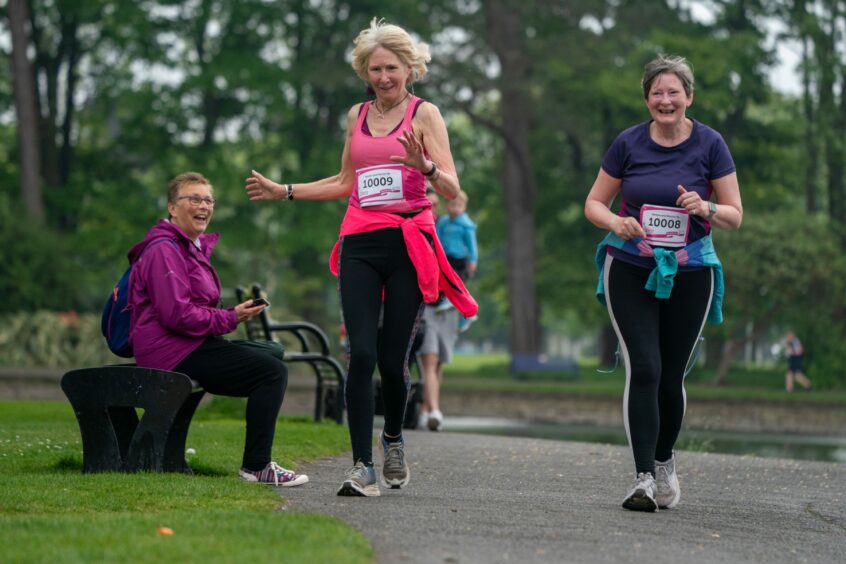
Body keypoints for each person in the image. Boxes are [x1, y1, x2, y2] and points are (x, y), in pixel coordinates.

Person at [245, 18, 477, 497]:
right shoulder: (357, 116)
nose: (383, 77)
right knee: (360, 354)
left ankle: (393, 439)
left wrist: (425, 166)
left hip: (411, 243)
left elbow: (453, 187)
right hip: (361, 243)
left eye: (391, 68)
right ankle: (361, 467)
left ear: (410, 68)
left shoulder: (425, 114)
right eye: (375, 69)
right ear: (365, 71)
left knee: (393, 361)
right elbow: (344, 182)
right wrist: (284, 190)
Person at [584, 55, 743, 512]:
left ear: (689, 97)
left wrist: (705, 208)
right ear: (647, 99)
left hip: (691, 272)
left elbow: (734, 215)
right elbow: (595, 202)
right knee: (645, 367)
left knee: (670, 374)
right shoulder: (628, 143)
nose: (665, 100)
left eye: (674, 92)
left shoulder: (711, 144)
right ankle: (643, 479)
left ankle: (665, 459)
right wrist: (617, 221)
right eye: (657, 93)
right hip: (631, 267)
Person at [129, 171, 308, 487]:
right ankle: (256, 466)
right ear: (172, 207)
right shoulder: (164, 250)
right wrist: (229, 318)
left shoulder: (188, 248)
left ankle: (257, 464)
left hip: (185, 345)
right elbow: (176, 314)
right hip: (171, 351)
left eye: (208, 200)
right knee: (271, 371)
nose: (203, 206)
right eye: (194, 199)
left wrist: (230, 316)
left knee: (272, 353)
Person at [417, 189, 461, 431]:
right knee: (429, 359)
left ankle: (425, 409)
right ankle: (435, 410)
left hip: (448, 308)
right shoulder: (417, 229)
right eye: (429, 204)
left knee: (439, 362)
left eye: (435, 205)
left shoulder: (447, 230)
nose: (433, 209)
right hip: (425, 308)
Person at [435, 190, 479, 332]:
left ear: (464, 207)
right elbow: (438, 239)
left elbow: (472, 245)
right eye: (452, 205)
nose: (455, 208)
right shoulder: (443, 222)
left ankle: (465, 314)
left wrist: (473, 261)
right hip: (447, 259)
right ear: (447, 206)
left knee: (459, 288)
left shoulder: (466, 225)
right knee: (449, 285)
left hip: (461, 260)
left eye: (459, 205)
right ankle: (462, 311)